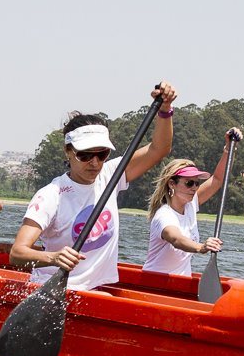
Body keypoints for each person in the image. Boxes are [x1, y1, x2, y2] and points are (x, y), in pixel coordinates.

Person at [9, 82, 178, 291]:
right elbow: (17, 253)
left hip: (95, 290)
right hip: (52, 289)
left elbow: (159, 149)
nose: (95, 162)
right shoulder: (51, 196)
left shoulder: (111, 175)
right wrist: (53, 257)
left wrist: (165, 110)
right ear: (67, 152)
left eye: (102, 154)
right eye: (85, 154)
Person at [142, 128, 244, 276]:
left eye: (196, 183)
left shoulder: (190, 204)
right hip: (154, 284)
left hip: (179, 283)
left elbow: (217, 179)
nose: (195, 188)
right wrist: (201, 247)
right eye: (189, 183)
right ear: (172, 184)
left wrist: (229, 148)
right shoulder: (164, 216)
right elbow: (176, 239)